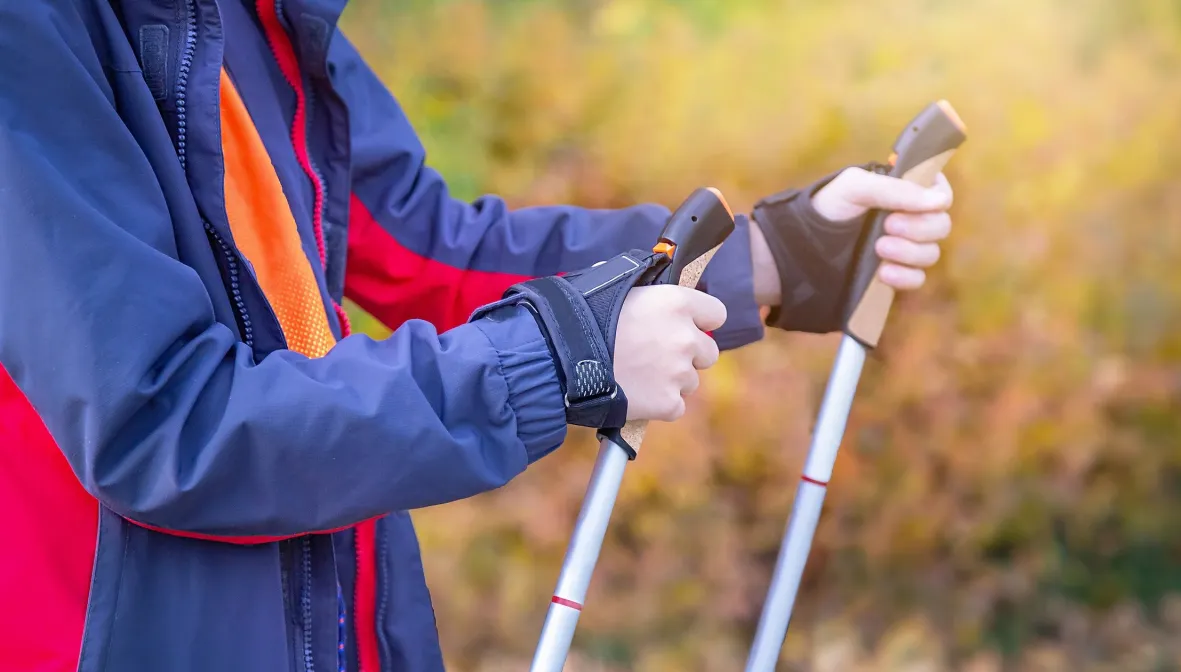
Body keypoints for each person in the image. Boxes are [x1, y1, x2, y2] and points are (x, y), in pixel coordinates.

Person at [0, 2, 955, 671]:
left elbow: (429, 248)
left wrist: (775, 258)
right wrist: (558, 355)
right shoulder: (29, 40)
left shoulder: (248, 19)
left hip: (338, 631)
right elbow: (168, 422)